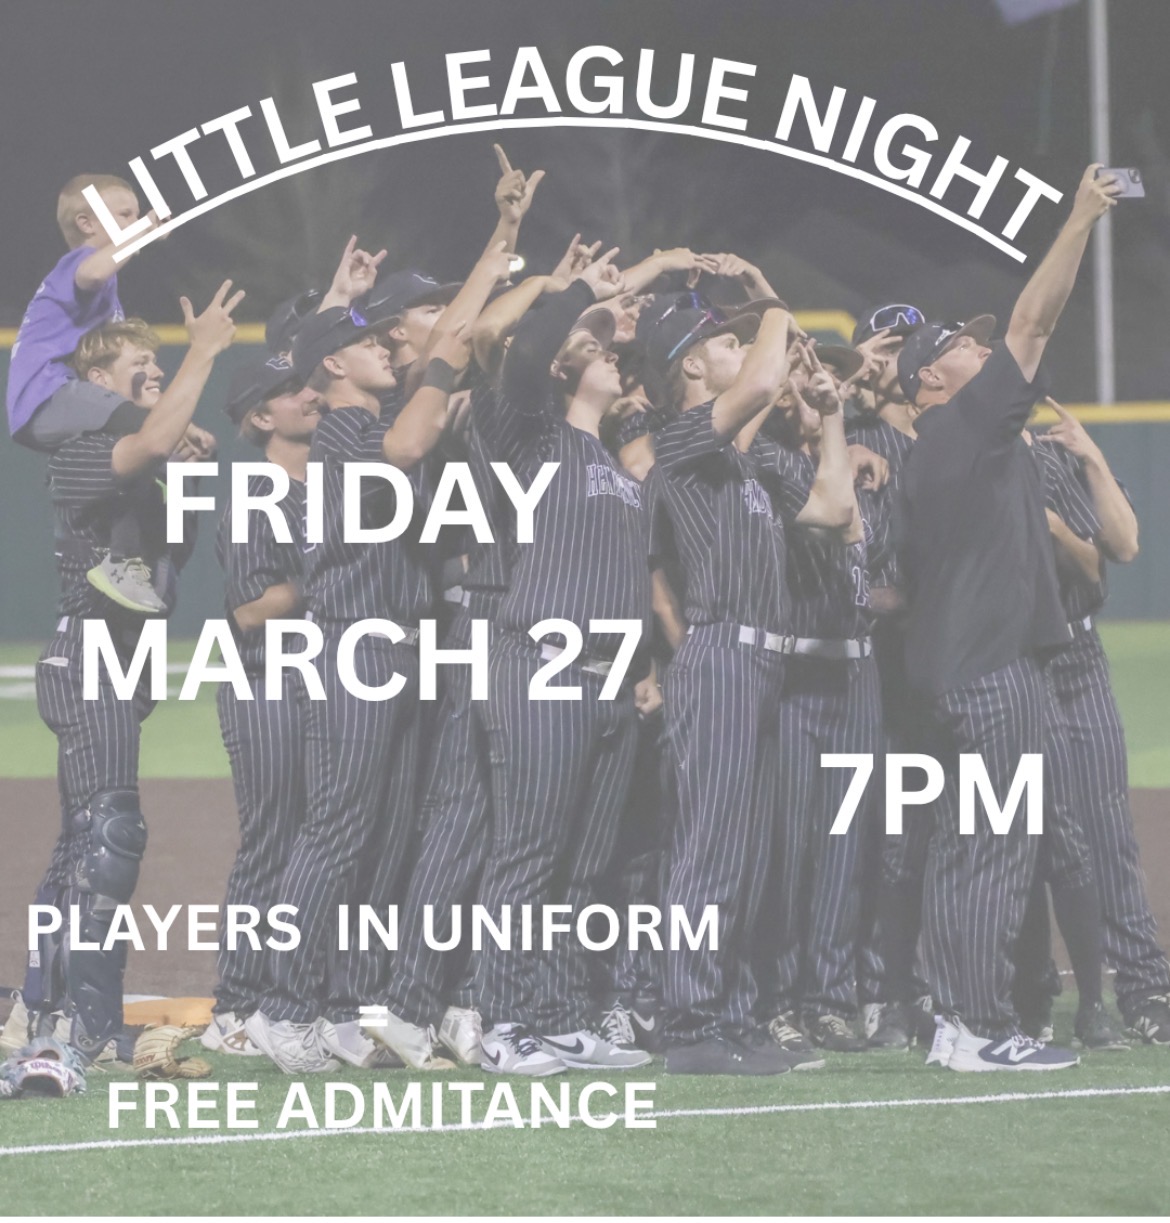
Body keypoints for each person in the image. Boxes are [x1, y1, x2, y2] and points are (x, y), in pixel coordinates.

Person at [245, 245, 498, 1074]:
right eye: (366, 342)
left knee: (385, 838)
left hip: (401, 645)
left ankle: (346, 1005)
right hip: (355, 641)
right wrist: (500, 247)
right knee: (334, 831)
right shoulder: (347, 431)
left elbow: (447, 355)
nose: (385, 346)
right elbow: (422, 411)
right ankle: (283, 1008)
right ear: (333, 366)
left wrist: (499, 248)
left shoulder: (374, 422)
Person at [896, 164, 1123, 1072]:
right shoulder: (964, 426)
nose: (982, 350)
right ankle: (981, 1023)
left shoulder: (940, 448)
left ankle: (959, 1020)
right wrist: (1081, 218)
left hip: (960, 668)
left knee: (966, 848)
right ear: (931, 378)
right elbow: (1034, 323)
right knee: (995, 848)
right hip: (992, 672)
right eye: (962, 344)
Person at [22, 284, 241, 1062]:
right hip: (90, 654)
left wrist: (186, 472)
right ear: (97, 382)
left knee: (82, 842)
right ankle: (88, 1024)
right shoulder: (85, 449)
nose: (153, 370)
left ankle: (42, 1006)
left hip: (121, 659)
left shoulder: (151, 471)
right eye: (138, 363)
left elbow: (170, 560)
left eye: (158, 361)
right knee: (111, 837)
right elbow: (146, 442)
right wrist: (203, 350)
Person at [647, 290, 856, 1075]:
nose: (740, 349)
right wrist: (772, 308)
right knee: (710, 849)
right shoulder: (680, 439)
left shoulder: (748, 459)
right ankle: (690, 1022)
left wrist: (831, 416)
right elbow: (764, 382)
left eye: (739, 339)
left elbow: (835, 507)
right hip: (720, 654)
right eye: (722, 342)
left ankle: (734, 1016)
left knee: (746, 854)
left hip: (764, 663)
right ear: (691, 367)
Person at [1030, 401, 1170, 1045]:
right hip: (1011, 662)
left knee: (1108, 829)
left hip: (1077, 655)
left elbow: (1126, 545)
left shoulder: (1052, 456)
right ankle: (1022, 990)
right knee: (1025, 836)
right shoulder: (959, 452)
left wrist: (1090, 454)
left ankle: (1144, 987)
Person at [200, 355, 325, 1056]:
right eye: (287, 390)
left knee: (319, 842)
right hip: (266, 682)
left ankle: (296, 993)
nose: (308, 393)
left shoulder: (327, 487)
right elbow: (251, 608)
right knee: (273, 841)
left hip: (321, 681)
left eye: (305, 382)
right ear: (260, 417)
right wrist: (334, 570)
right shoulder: (257, 495)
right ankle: (236, 1005)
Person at [7, 175, 170, 612]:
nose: (135, 220)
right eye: (124, 214)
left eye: (135, 214)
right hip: (47, 394)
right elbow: (94, 271)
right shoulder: (81, 261)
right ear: (86, 223)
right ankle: (119, 560)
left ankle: (116, 555)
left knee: (134, 458)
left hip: (60, 400)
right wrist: (145, 230)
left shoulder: (107, 290)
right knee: (147, 434)